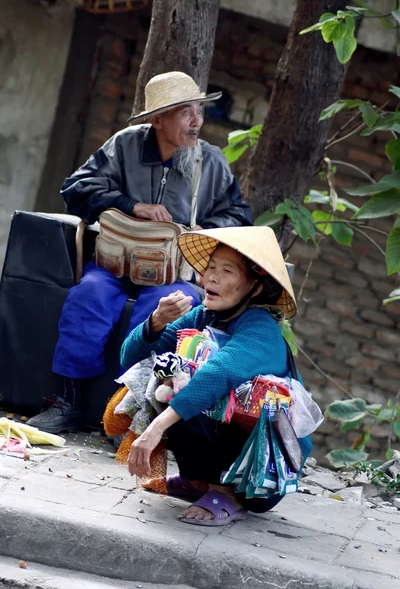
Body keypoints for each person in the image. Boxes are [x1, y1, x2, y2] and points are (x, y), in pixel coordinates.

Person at [27, 71, 251, 435]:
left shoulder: (210, 163)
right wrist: (131, 205)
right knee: (88, 295)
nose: (197, 121)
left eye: (199, 110)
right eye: (185, 112)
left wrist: (206, 231)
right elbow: (78, 188)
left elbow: (238, 215)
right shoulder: (125, 146)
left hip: (172, 274)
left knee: (167, 308)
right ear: (158, 119)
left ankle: (130, 415)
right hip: (115, 266)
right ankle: (66, 403)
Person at [121, 226, 313, 527]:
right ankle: (198, 482)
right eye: (210, 268)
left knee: (197, 385)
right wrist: (156, 321)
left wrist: (155, 429)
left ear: (255, 286)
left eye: (227, 271)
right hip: (226, 447)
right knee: (162, 376)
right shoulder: (204, 315)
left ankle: (229, 494)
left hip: (265, 472)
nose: (212, 277)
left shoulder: (260, 328)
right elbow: (131, 359)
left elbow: (219, 374)